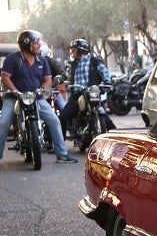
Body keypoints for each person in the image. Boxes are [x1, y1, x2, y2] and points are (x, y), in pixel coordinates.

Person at [0, 29, 77, 163]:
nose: (39, 45)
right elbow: (5, 78)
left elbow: (47, 80)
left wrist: (41, 90)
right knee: (3, 123)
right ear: (27, 44)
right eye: (36, 43)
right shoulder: (13, 59)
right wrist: (16, 91)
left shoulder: (42, 60)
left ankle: (62, 154)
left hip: (36, 97)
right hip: (15, 97)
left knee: (54, 120)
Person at [60, 38, 114, 137]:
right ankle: (60, 146)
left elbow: (105, 73)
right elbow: (67, 76)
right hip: (76, 96)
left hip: (91, 94)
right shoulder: (73, 64)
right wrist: (62, 79)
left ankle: (116, 138)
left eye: (74, 49)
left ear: (81, 49)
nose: (72, 52)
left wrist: (107, 81)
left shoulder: (94, 61)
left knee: (105, 118)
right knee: (63, 117)